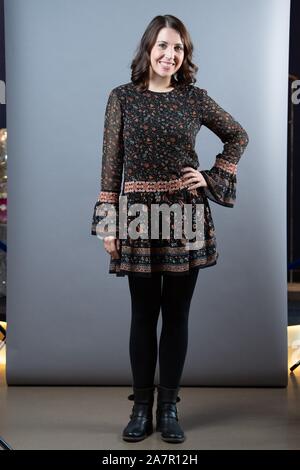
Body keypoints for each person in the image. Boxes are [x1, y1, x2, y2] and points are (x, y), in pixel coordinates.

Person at [91, 14, 249, 443]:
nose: (169, 54)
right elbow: (111, 166)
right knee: (143, 315)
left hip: (185, 214)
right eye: (163, 45)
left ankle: (170, 407)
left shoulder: (194, 99)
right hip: (138, 215)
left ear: (185, 54)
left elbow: (237, 135)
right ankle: (141, 409)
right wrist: (109, 223)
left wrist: (212, 176)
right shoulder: (122, 97)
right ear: (148, 48)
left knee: (177, 315)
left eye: (178, 48)